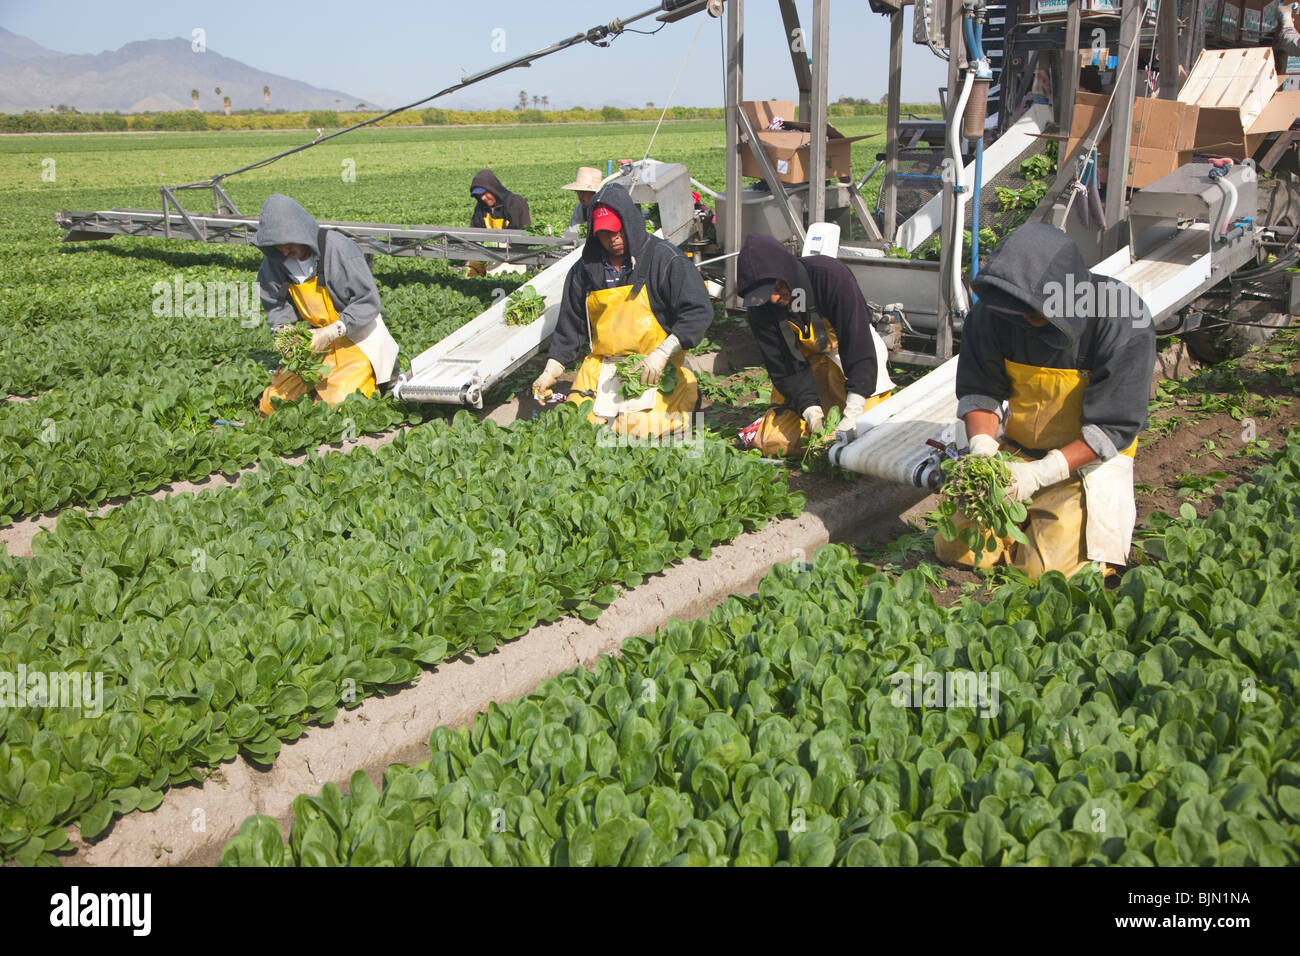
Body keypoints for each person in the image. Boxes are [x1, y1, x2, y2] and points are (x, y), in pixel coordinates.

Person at [938, 222, 1155, 578]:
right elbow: (981, 392)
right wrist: (982, 449)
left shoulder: (1122, 318)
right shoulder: (993, 313)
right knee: (959, 551)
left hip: (1087, 463)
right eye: (1018, 310)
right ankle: (1020, 526)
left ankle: (1043, 530)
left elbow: (1114, 427)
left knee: (1046, 576)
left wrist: (1041, 474)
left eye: (1036, 312)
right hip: (1018, 452)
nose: (1026, 318)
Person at [531, 182, 712, 438]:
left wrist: (662, 353)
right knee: (575, 427)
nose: (613, 239)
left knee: (635, 430)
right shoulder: (584, 270)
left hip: (654, 368)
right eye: (604, 234)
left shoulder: (666, 260)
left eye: (618, 231)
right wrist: (551, 370)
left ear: (630, 224)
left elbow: (698, 311)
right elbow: (570, 327)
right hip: (603, 368)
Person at [736, 234, 895, 457]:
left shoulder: (830, 276)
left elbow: (857, 341)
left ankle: (856, 410)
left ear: (786, 271)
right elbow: (784, 364)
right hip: (805, 365)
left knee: (871, 431)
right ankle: (819, 420)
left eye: (777, 288)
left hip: (850, 355)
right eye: (765, 295)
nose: (773, 299)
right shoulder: (760, 308)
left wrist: (854, 409)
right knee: (772, 440)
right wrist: (811, 411)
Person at [254, 194, 400, 416]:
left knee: (339, 404)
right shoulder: (274, 263)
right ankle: (317, 389)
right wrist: (285, 331)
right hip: (312, 342)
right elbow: (275, 304)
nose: (284, 251)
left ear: (300, 232)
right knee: (272, 405)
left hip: (355, 336)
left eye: (288, 244)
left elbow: (367, 302)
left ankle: (380, 380)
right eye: (277, 246)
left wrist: (333, 331)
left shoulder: (339, 250)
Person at [464, 169, 531, 278]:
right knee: (470, 275)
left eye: (484, 194)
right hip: (487, 253)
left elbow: (523, 235)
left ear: (493, 189)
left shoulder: (515, 203)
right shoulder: (481, 208)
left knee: (497, 276)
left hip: (512, 255)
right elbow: (475, 232)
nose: (482, 198)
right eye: (478, 196)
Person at [561, 166, 602, 238]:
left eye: (584, 192)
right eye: (578, 192)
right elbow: (572, 232)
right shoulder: (581, 208)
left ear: (595, 193)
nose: (580, 196)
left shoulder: (605, 208)